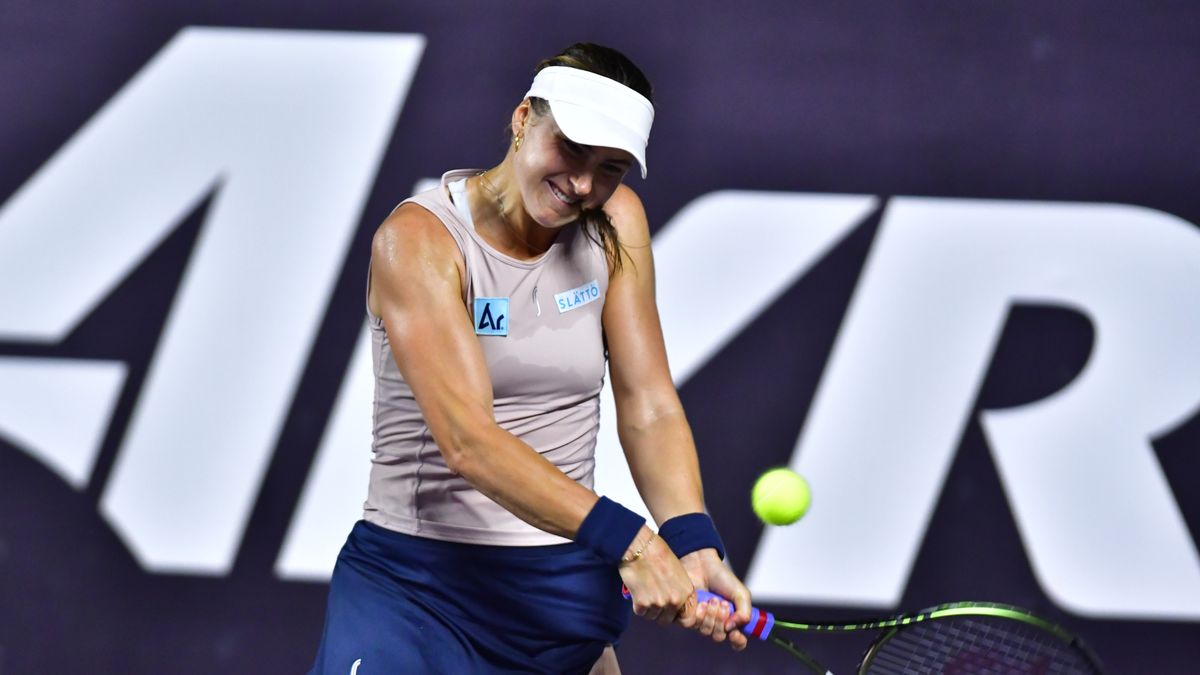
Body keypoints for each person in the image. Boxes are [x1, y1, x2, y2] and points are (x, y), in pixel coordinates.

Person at [308, 43, 752, 674]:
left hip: (560, 586)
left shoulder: (615, 222)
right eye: (570, 150)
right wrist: (629, 543)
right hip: (418, 586)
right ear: (522, 120)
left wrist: (691, 539)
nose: (583, 185)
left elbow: (648, 403)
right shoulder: (418, 242)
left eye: (612, 168)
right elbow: (468, 440)